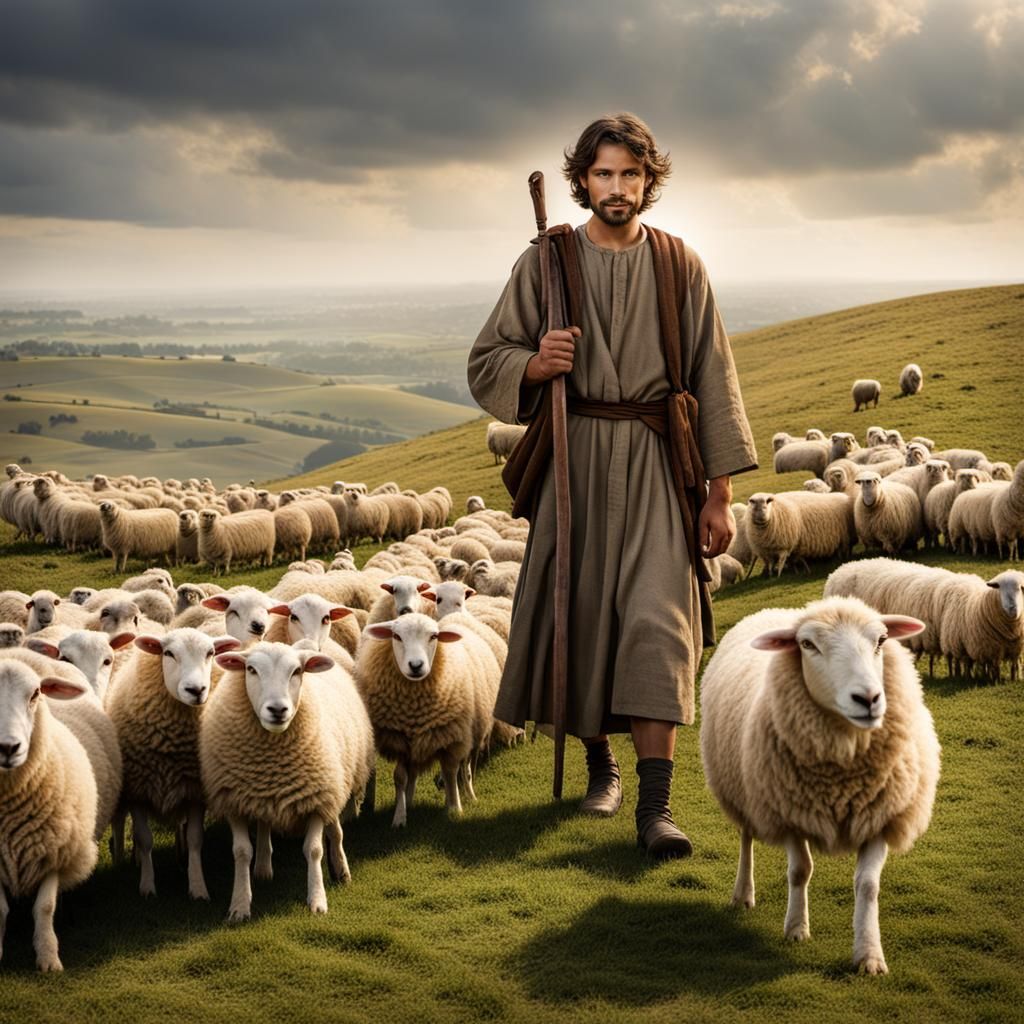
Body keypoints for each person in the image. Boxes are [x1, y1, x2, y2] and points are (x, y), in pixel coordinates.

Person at [466, 113, 757, 859]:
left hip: (662, 465)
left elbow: (713, 380)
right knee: (583, 618)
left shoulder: (679, 264)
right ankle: (603, 769)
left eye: (630, 173)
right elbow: (488, 357)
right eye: (603, 173)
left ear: (648, 180)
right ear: (582, 180)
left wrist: (718, 494)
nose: (617, 187)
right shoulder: (548, 262)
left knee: (658, 626)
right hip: (577, 455)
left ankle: (656, 808)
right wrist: (537, 363)